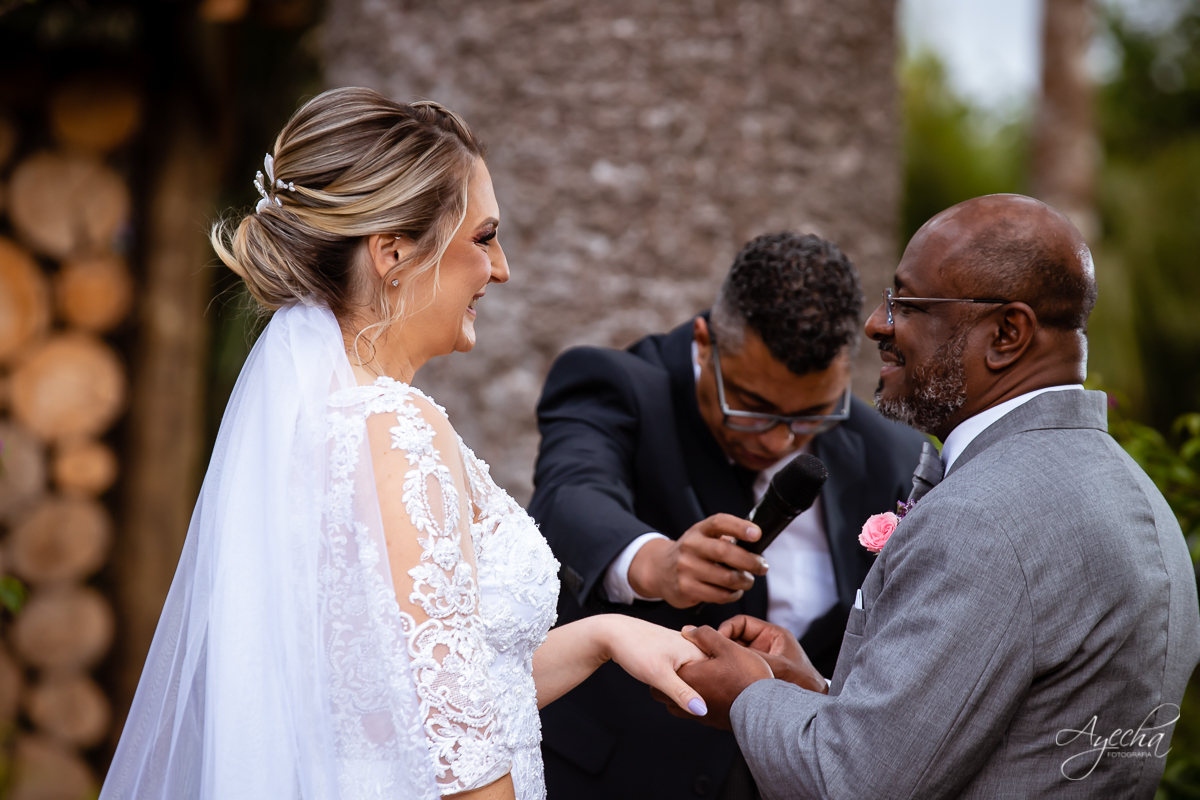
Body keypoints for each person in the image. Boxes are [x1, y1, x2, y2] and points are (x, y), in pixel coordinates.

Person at [100, 87, 713, 800]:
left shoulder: (323, 423)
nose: (502, 268)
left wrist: (607, 635)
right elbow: (456, 759)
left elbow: (410, 700)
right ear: (392, 252)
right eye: (483, 238)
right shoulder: (396, 432)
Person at [665, 194, 1200, 799]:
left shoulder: (986, 517)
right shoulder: (1137, 496)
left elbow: (852, 784)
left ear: (1006, 334)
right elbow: (973, 746)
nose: (876, 323)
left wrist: (747, 696)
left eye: (907, 304)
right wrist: (810, 693)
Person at [530, 233, 927, 799]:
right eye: (751, 407)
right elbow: (572, 495)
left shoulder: (890, 453)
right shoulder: (615, 386)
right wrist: (658, 563)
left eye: (813, 414)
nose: (779, 440)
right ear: (704, 343)